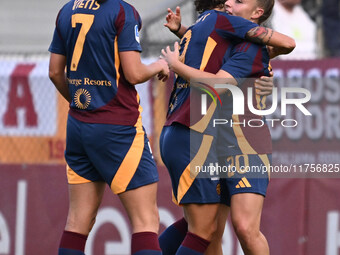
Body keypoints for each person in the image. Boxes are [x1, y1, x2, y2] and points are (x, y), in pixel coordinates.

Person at [159, 0, 295, 254]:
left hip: (247, 144)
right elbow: (206, 38)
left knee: (243, 227)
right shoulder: (229, 37)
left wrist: (176, 64)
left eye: (240, 0)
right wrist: (183, 32)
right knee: (208, 230)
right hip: (214, 139)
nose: (229, 2)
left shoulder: (253, 47)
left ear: (257, 13)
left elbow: (285, 45)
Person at [48, 0, 169, 254]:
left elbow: (55, 72)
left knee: (77, 222)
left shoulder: (67, 10)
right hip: (118, 128)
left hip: (79, 126)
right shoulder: (123, 11)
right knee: (146, 221)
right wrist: (160, 65)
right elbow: (134, 73)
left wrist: (82, 103)